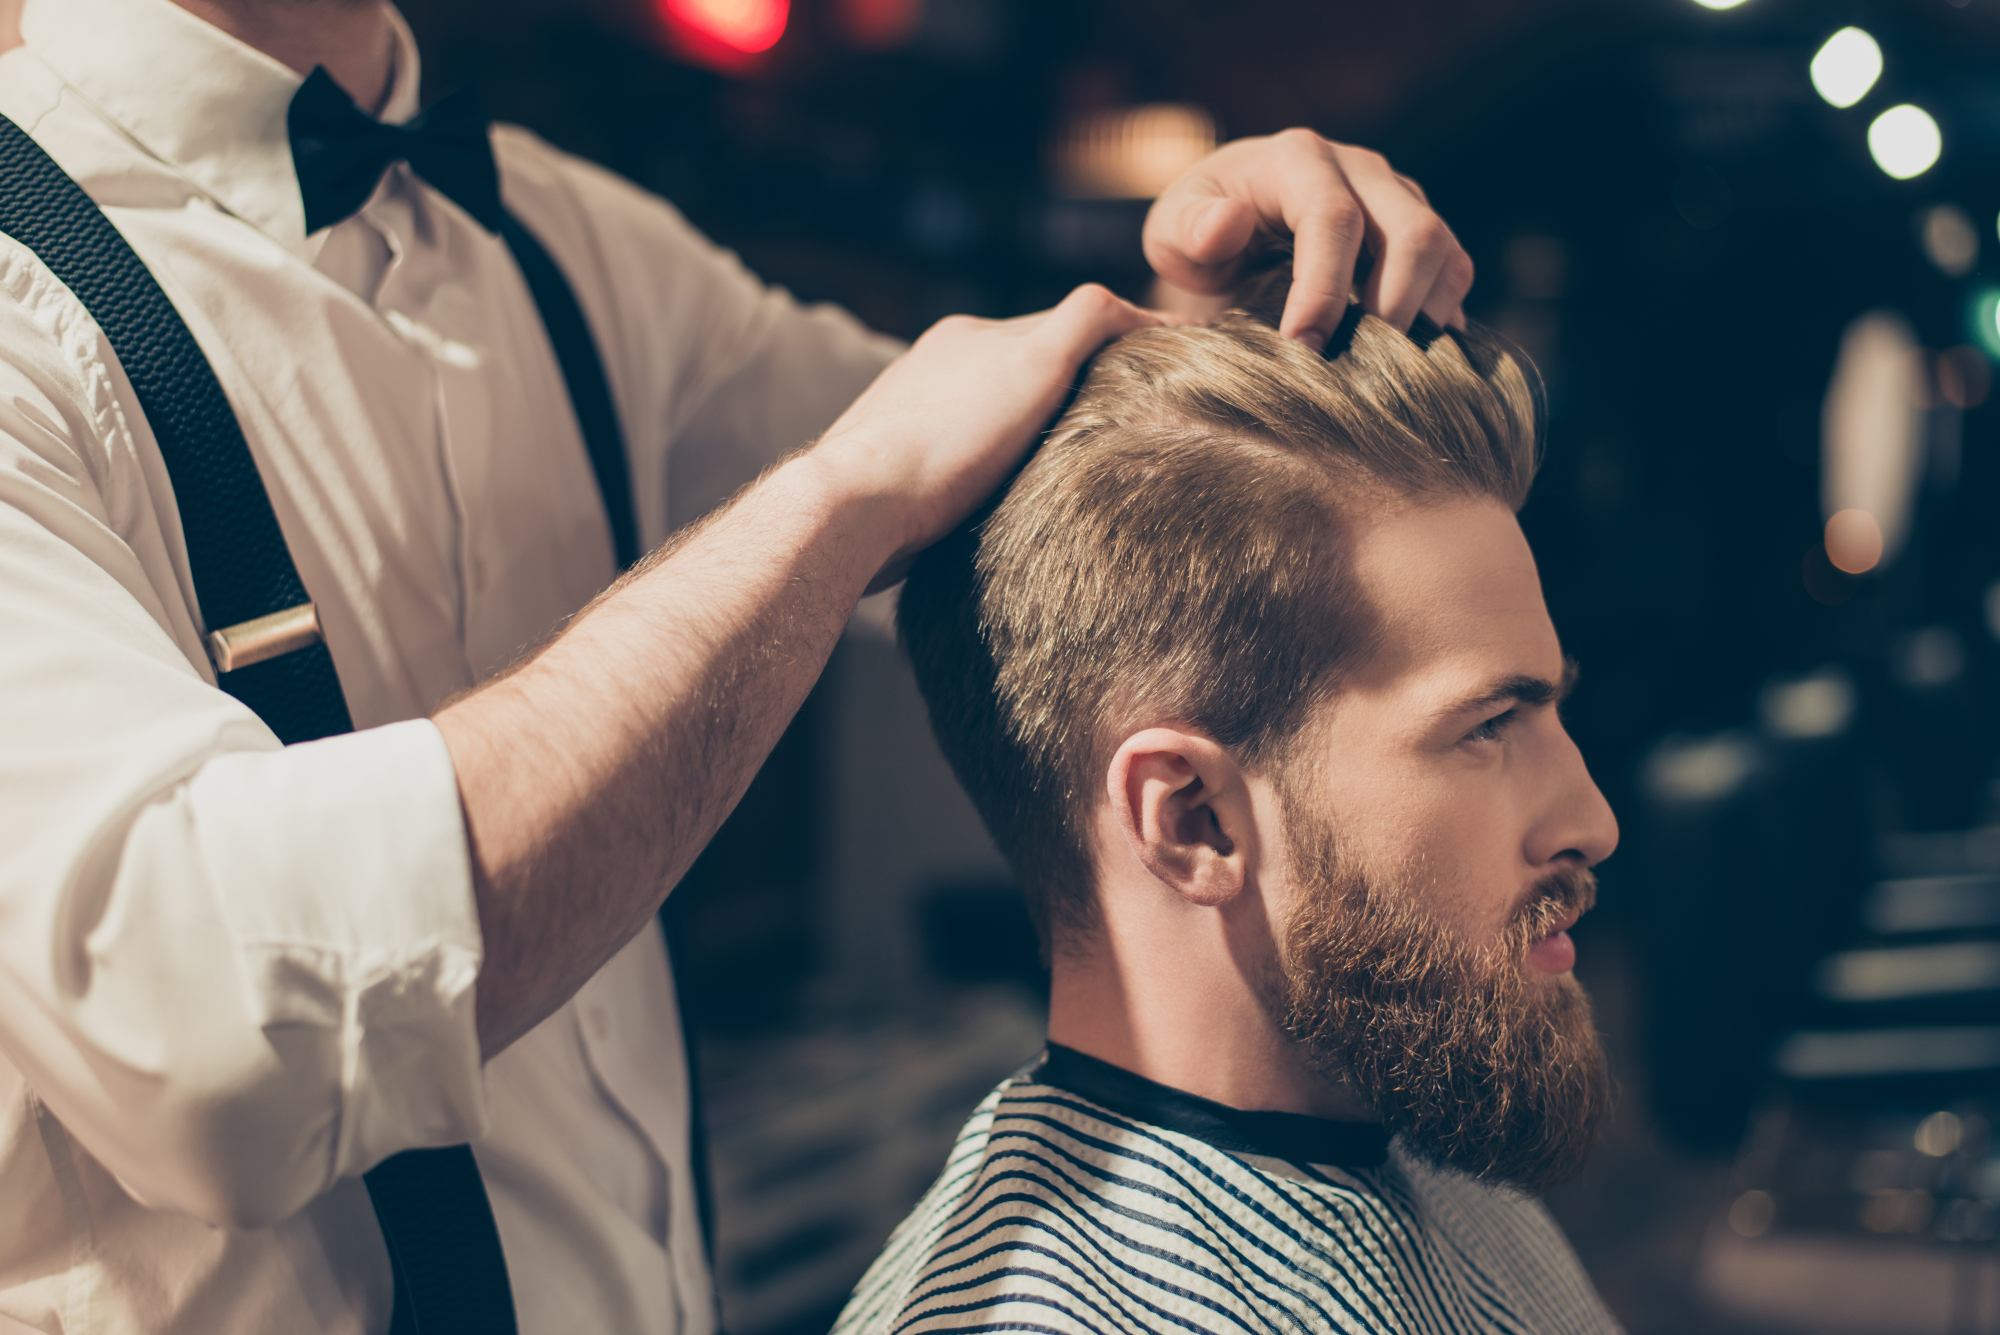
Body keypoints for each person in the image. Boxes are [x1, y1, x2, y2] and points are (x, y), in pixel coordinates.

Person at [0, 0, 1481, 1330]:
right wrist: (844, 495)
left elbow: (1033, 519)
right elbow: (217, 1036)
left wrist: (1203, 350)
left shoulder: (577, 245)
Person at [838, 265, 1623, 1334]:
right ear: (1192, 821)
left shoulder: (1420, 1149)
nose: (1592, 822)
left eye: (1548, 714)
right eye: (1487, 726)